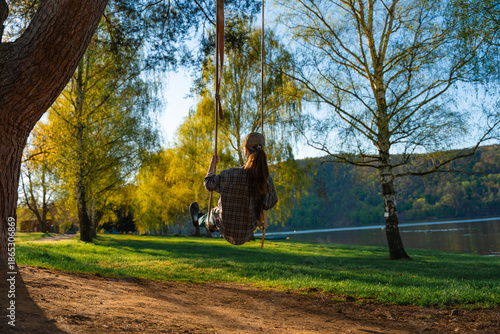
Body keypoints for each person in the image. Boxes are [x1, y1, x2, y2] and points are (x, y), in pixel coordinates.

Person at [190, 132, 278, 245]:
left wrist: (212, 165)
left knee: (212, 214)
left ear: (245, 149)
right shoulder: (265, 180)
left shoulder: (231, 174)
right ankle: (209, 223)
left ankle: (198, 219)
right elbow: (270, 203)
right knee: (216, 216)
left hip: (224, 226)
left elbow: (208, 184)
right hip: (246, 231)